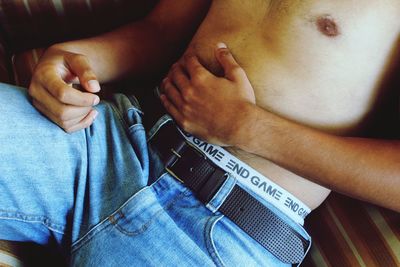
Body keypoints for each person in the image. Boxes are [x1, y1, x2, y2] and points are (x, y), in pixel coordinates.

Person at [0, 0, 399, 266]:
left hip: (227, 227)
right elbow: (161, 30)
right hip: (111, 138)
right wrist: (73, 59)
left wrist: (247, 128)